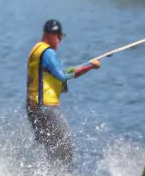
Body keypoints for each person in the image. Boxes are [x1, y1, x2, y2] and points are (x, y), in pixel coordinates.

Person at [25, 19, 100, 163]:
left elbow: (56, 73)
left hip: (33, 108)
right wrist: (90, 67)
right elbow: (63, 76)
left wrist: (84, 65)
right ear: (48, 35)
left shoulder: (36, 50)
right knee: (65, 146)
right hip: (46, 109)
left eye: (61, 36)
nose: (59, 39)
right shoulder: (48, 53)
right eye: (57, 36)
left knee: (49, 148)